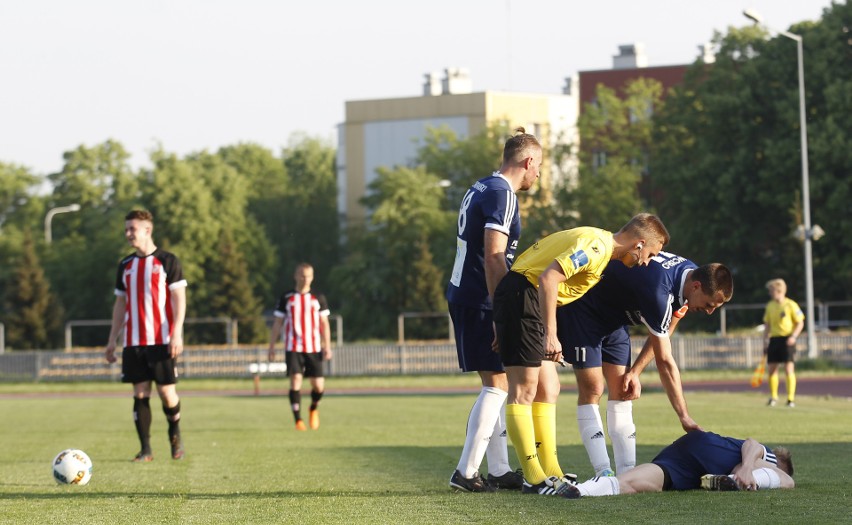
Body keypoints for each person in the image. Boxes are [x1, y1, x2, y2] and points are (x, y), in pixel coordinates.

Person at [493, 213, 670, 498]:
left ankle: (550, 470)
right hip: (524, 295)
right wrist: (551, 333)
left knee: (549, 387)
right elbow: (549, 279)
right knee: (523, 389)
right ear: (639, 244)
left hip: (527, 299)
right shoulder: (596, 247)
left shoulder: (600, 246)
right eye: (650, 253)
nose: (647, 261)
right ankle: (533, 477)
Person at [557, 253, 733, 478]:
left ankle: (627, 474)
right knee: (593, 389)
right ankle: (603, 472)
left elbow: (665, 331)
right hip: (586, 311)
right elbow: (665, 362)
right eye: (709, 305)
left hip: (616, 320)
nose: (709, 311)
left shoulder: (691, 280)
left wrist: (635, 372)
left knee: (622, 389)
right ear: (696, 286)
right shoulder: (659, 290)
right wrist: (684, 416)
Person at [446, 127, 542, 493]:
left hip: (465, 292)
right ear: (528, 161)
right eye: (539, 168)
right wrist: (503, 310)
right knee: (499, 385)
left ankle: (499, 469)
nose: (538, 176)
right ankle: (466, 471)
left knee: (497, 383)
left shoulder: (483, 185)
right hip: (480, 298)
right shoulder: (504, 194)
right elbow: (494, 255)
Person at [105, 210, 188, 462]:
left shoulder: (168, 261)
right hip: (133, 341)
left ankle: (175, 434)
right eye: (126, 229)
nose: (128, 233)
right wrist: (112, 339)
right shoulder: (125, 265)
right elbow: (120, 304)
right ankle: (146, 450)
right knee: (140, 394)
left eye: (133, 229)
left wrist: (176, 333)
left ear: (147, 230)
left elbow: (179, 300)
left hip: (162, 340)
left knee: (166, 393)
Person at [565, 430, 794, 498]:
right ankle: (733, 481)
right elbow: (752, 444)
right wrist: (746, 469)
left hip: (687, 465)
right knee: (789, 482)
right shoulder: (771, 458)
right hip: (710, 451)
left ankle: (584, 489)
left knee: (634, 484)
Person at [268, 263, 332, 431]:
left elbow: (324, 323)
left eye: (309, 276)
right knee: (296, 379)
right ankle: (298, 420)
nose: (305, 279)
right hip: (293, 345)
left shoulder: (318, 297)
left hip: (314, 346)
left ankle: (313, 408)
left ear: (313, 277)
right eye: (302, 275)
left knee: (318, 385)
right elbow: (277, 323)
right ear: (295, 276)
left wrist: (327, 346)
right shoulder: (287, 297)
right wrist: (272, 346)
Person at [762, 278, 804, 408]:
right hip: (774, 339)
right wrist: (765, 341)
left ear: (779, 291)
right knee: (772, 369)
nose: (770, 293)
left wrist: (794, 337)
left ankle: (790, 399)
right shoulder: (770, 306)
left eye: (771, 291)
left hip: (787, 339)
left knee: (788, 368)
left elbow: (800, 322)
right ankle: (773, 397)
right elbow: (767, 325)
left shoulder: (791, 304)